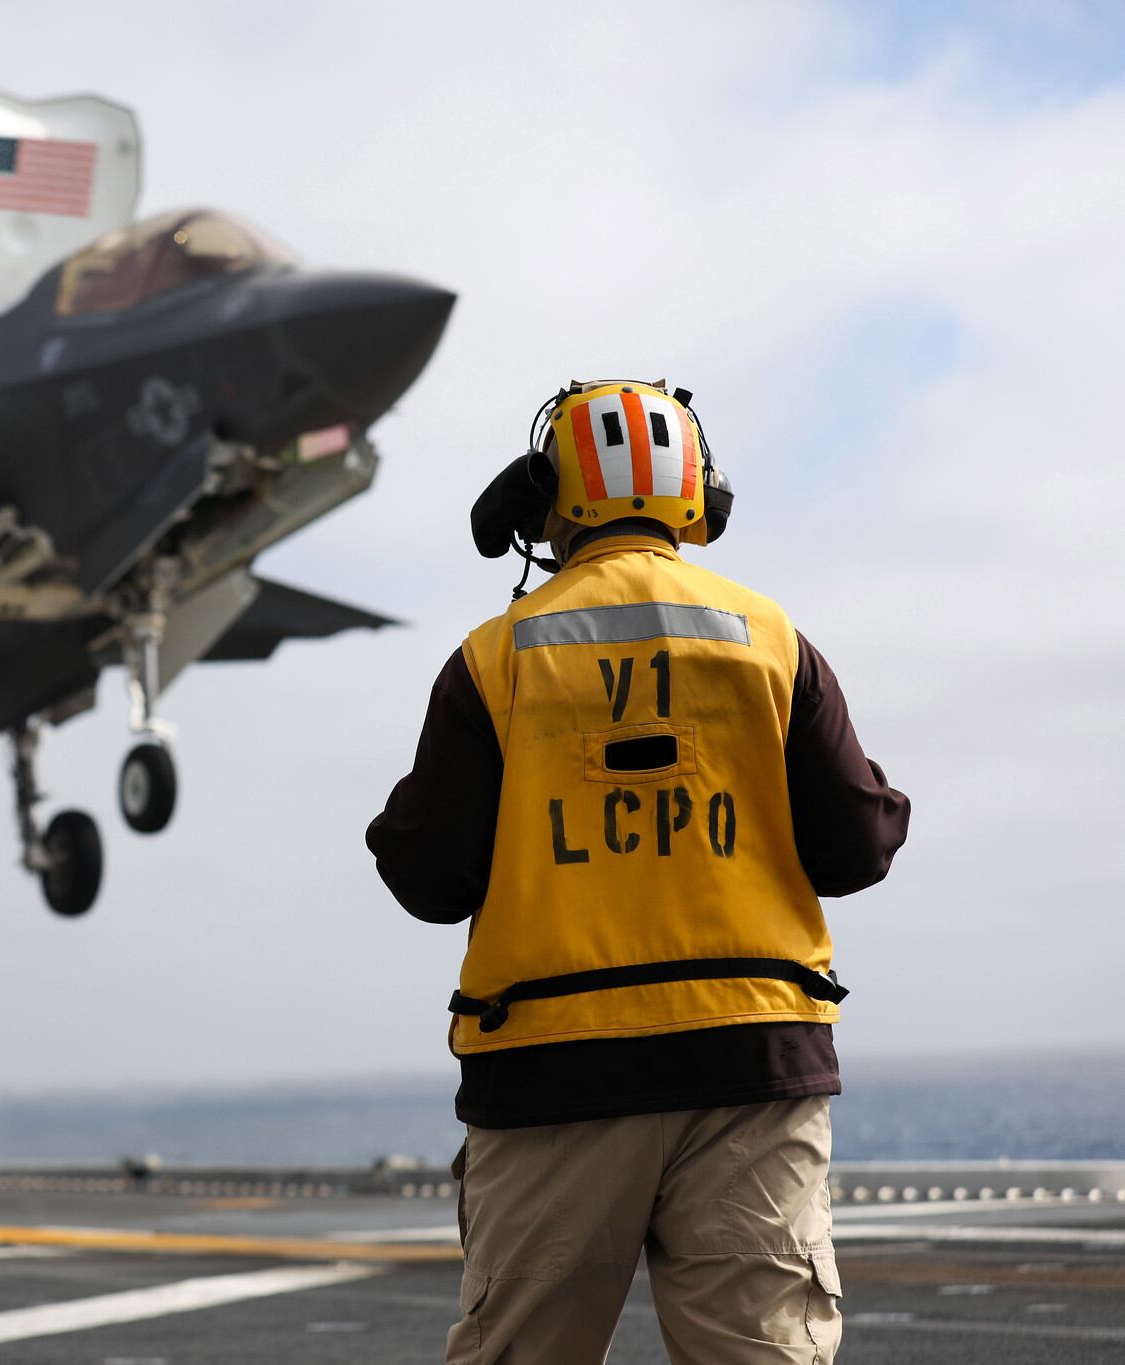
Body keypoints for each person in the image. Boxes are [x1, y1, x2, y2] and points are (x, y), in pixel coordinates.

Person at [366, 380, 909, 1364]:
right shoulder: (771, 641)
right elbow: (854, 849)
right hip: (750, 1067)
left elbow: (425, 878)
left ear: (550, 499)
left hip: (551, 1076)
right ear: (694, 497)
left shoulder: (496, 659)